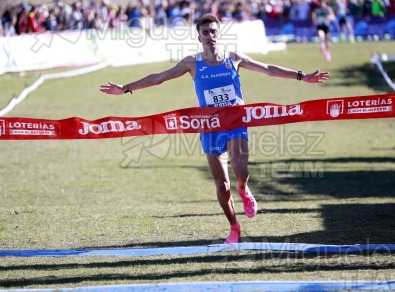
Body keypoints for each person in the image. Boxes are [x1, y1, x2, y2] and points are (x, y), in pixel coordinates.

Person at [100, 14, 330, 244]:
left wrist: (303, 77)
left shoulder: (233, 58)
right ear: (199, 37)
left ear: (218, 34)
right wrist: (126, 88)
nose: (210, 36)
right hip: (209, 126)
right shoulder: (192, 63)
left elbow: (268, 69)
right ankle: (234, 227)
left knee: (240, 170)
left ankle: (244, 188)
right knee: (221, 184)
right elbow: (159, 78)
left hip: (235, 122)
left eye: (213, 32)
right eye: (205, 32)